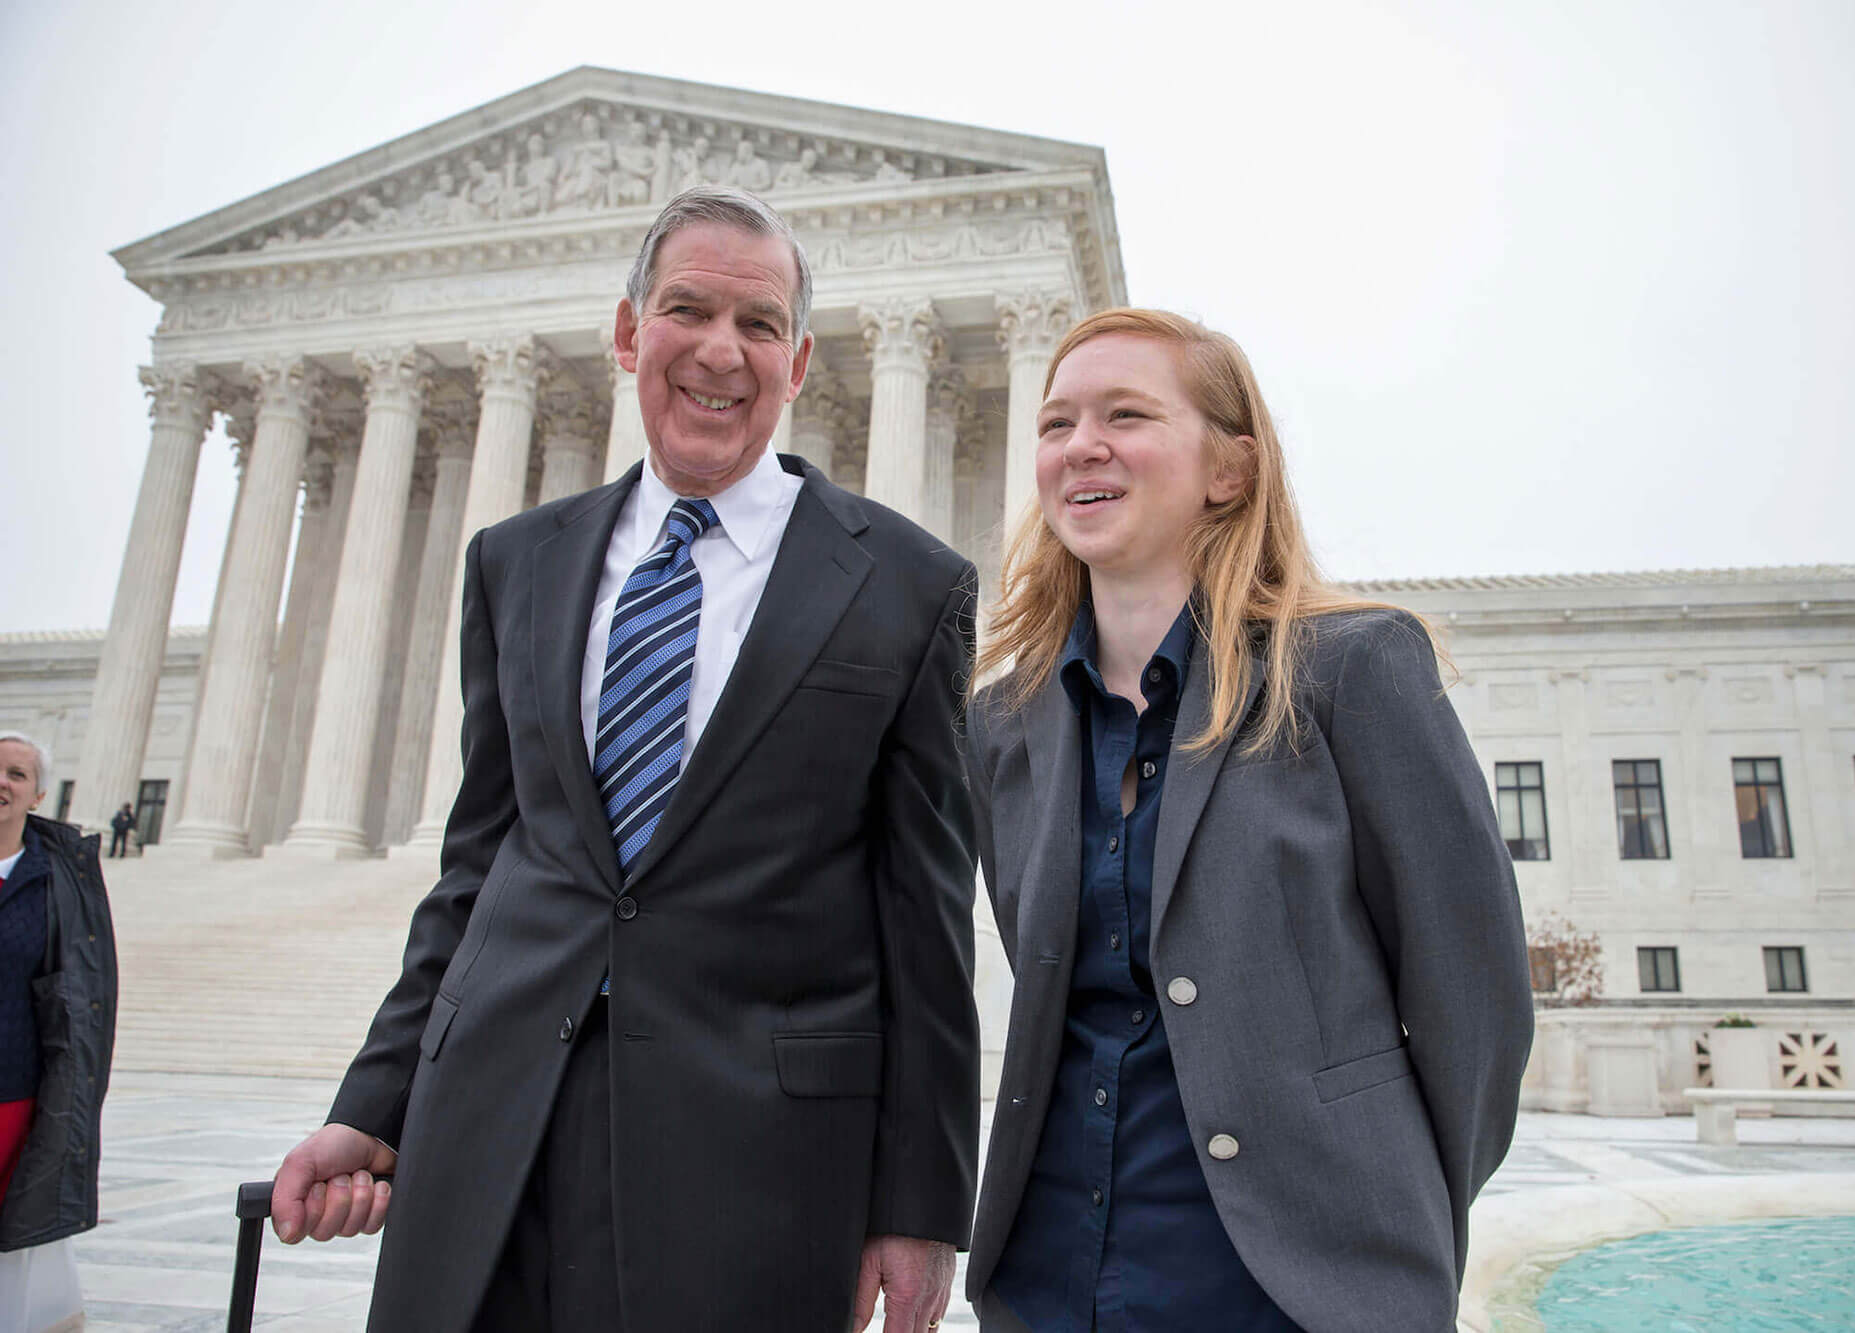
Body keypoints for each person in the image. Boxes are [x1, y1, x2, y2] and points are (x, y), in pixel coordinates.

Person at [270, 187, 981, 1333]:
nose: (719, 350)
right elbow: (483, 865)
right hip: (489, 1132)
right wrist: (377, 1099)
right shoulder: (518, 562)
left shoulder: (907, 586)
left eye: (757, 325)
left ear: (798, 361)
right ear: (625, 333)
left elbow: (925, 916)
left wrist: (918, 1200)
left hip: (755, 1158)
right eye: (686, 309)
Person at [961, 309, 1535, 1332]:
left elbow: (1473, 997)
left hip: (1290, 1290)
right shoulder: (1006, 724)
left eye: (1124, 414)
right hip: (1052, 1281)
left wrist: (1386, 1232)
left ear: (1228, 469)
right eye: (1056, 424)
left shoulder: (1350, 669)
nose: (1079, 444)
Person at [0, 732, 118, 1332]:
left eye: (16, 774)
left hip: (14, 1091)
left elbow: (77, 992)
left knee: (18, 1232)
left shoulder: (56, 879)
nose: (3, 783)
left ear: (38, 792)